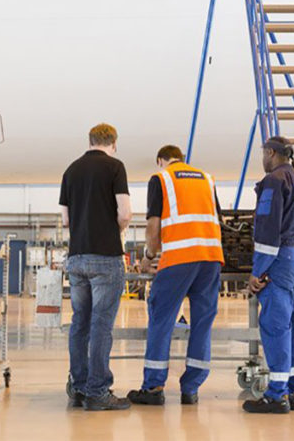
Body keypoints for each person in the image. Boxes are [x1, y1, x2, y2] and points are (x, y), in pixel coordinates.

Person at [126, 145, 223, 406]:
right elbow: (217, 219)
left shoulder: (161, 178)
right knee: (202, 322)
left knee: (162, 318)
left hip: (180, 258)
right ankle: (191, 389)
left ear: (161, 161)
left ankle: (154, 387)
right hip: (211, 258)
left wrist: (148, 257)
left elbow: (153, 224)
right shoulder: (207, 178)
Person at [242, 136, 294, 414]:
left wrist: (258, 271)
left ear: (271, 153)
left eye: (264, 153)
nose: (263, 158)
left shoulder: (273, 182)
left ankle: (276, 395)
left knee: (276, 325)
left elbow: (267, 227)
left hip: (279, 259)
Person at [59, 124, 133, 411]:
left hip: (76, 257)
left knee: (80, 323)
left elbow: (65, 220)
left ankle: (78, 388)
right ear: (112, 143)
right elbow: (124, 212)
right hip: (106, 256)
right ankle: (98, 392)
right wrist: (115, 227)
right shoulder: (115, 167)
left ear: (90, 141)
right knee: (101, 324)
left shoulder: (71, 170)